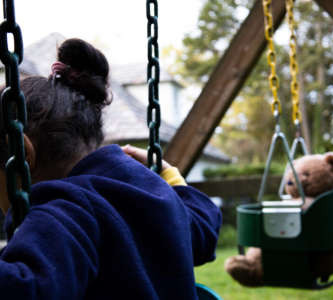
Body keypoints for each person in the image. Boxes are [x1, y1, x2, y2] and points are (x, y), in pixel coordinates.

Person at [0, 38, 221, 299]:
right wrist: (168, 176)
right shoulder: (152, 194)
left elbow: (26, 289)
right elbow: (203, 230)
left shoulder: (63, 211)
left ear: (23, 155)